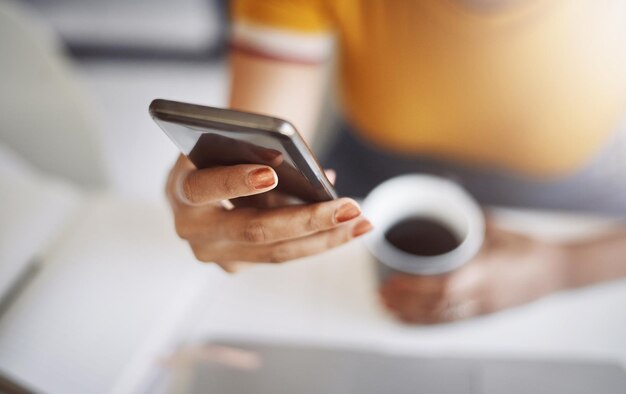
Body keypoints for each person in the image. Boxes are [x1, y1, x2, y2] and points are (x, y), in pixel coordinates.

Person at [166, 0, 626, 323]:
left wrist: (563, 267)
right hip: (369, 178)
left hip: (573, 210)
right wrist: (203, 188)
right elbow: (252, 139)